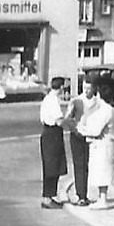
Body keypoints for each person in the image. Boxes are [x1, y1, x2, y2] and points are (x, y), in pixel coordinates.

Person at [76, 78, 114, 208]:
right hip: (100, 145)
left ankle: (103, 199)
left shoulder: (106, 110)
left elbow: (95, 130)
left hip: (104, 145)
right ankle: (101, 198)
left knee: (103, 172)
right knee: (100, 171)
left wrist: (81, 129)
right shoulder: (103, 108)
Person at [38, 78, 68, 208]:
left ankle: (49, 195)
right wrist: (72, 125)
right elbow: (59, 120)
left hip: (48, 133)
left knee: (52, 166)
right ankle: (47, 197)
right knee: (52, 166)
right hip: (52, 134)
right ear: (61, 87)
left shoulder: (47, 98)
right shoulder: (53, 100)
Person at [62, 78, 89, 205]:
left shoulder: (96, 102)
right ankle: (81, 195)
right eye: (85, 88)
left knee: (87, 165)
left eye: (89, 88)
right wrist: (75, 128)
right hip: (77, 135)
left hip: (91, 136)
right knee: (79, 165)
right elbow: (66, 119)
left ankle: (85, 193)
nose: (87, 91)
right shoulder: (76, 101)